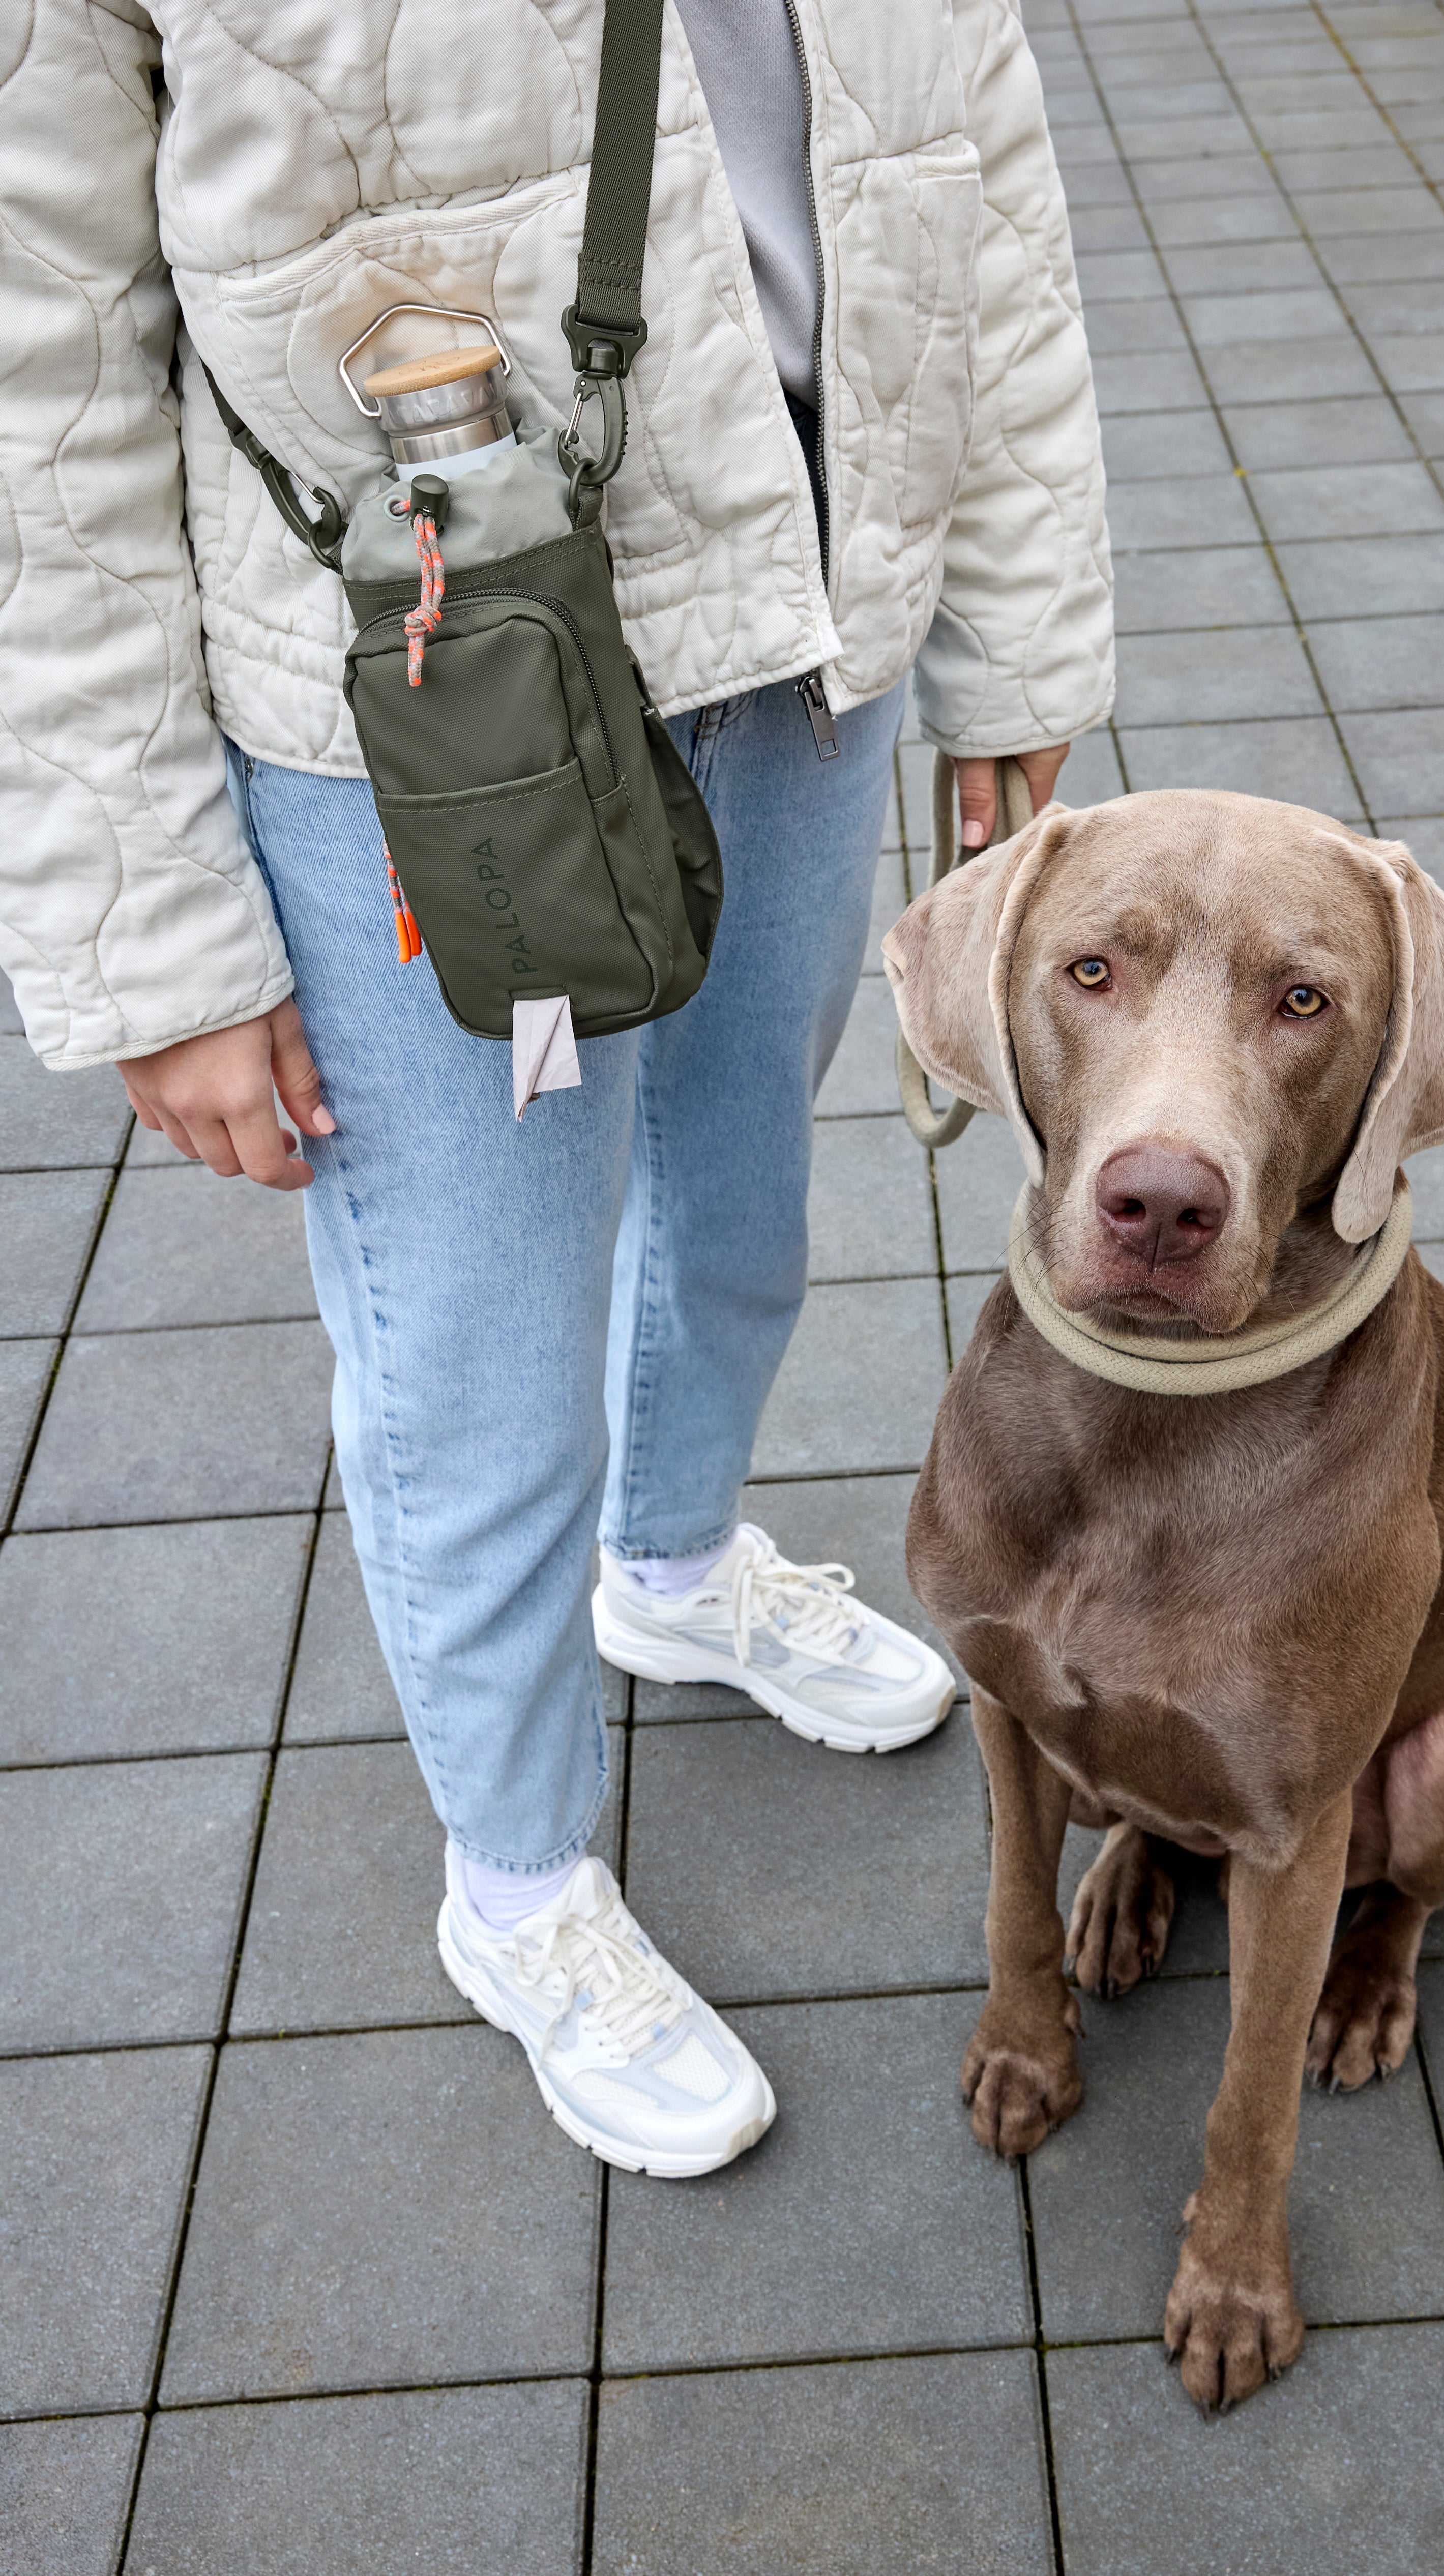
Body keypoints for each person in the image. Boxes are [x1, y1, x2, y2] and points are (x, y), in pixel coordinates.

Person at [0, 0, 1113, 2175]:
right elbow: (39, 372)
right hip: (424, 681)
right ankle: (515, 1885)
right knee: (477, 1348)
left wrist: (1019, 622)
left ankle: (677, 1568)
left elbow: (971, 156)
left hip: (804, 615)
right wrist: (149, 932)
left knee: (746, 1201)